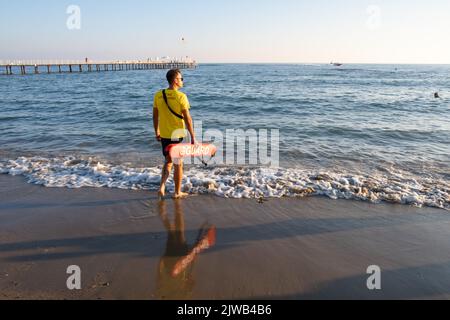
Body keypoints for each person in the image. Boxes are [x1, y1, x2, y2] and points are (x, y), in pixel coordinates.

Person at [153, 69, 196, 199]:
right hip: (178, 135)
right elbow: (188, 119)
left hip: (165, 134)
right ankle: (177, 192)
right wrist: (193, 137)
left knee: (168, 161)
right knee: (178, 163)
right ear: (175, 80)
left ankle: (162, 186)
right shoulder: (181, 96)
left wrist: (157, 132)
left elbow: (155, 116)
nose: (182, 81)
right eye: (181, 79)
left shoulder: (158, 95)